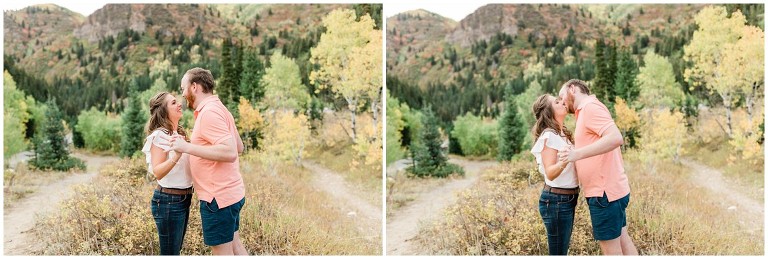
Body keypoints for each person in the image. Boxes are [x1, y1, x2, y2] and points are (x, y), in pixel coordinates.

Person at [162, 67, 248, 255]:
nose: (183, 94)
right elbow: (239, 146)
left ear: (194, 87)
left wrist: (186, 147)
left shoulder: (209, 113)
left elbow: (231, 151)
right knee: (236, 247)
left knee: (222, 254)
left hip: (217, 198)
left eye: (183, 88)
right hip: (230, 193)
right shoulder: (219, 108)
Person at [557, 79, 638, 255]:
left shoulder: (590, 108)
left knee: (611, 252)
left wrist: (576, 154)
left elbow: (616, 138)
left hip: (604, 194)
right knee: (623, 242)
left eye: (561, 96)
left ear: (572, 89)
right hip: (609, 191)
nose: (562, 101)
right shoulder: (586, 110)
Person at [142, 91, 193, 255]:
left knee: (175, 251)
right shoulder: (160, 135)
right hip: (169, 202)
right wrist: (177, 155)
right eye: (173, 102)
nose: (179, 104)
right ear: (163, 111)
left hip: (184, 198)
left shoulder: (179, 134)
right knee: (170, 254)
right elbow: (157, 172)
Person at [530, 94, 578, 255]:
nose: (562, 102)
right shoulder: (549, 135)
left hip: (567, 199)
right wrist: (565, 161)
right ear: (549, 111)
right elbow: (550, 173)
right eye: (556, 102)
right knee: (558, 253)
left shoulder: (561, 134)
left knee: (561, 251)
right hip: (557, 201)